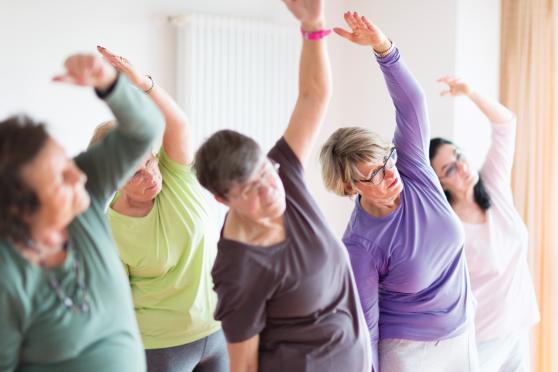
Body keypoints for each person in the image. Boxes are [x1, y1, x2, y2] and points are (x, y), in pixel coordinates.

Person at [192, 1, 371, 371]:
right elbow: (243, 366)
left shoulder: (284, 172)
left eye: (264, 173)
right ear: (222, 199)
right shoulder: (238, 268)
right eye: (249, 190)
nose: (268, 191)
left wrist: (313, 26)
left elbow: (313, 96)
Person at [319, 12, 478, 372]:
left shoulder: (412, 168)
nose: (388, 173)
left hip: (463, 334)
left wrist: (382, 47)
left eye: (385, 159)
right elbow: (365, 326)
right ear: (349, 188)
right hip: (410, 353)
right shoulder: (361, 245)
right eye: (372, 174)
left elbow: (413, 103)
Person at [0, 53, 164, 371]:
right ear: (20, 208)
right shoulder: (8, 278)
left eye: (68, 163)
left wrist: (110, 84)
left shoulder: (86, 192)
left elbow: (144, 130)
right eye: (61, 178)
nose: (78, 175)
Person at [90, 46, 227, 372]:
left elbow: (177, 122)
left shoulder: (176, 176)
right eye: (136, 172)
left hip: (218, 330)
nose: (151, 174)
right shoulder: (110, 229)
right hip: (160, 348)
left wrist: (142, 84)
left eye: (149, 160)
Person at [429, 77, 540, 372]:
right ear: (439, 181)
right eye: (449, 168)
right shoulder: (447, 226)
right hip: (480, 339)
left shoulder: (493, 185)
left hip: (517, 327)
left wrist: (470, 93)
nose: (462, 167)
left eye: (459, 156)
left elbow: (506, 125)